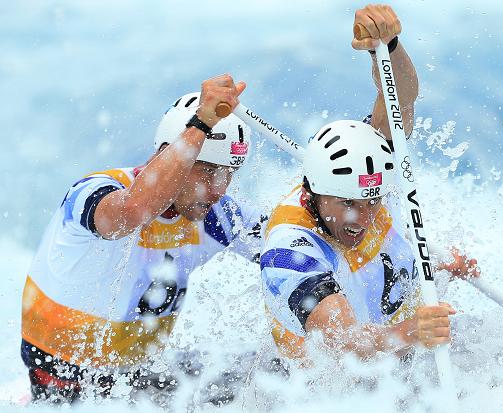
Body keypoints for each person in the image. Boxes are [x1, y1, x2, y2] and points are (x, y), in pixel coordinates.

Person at [20, 75, 266, 403]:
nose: (219, 189)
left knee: (275, 373)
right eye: (208, 171)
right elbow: (133, 213)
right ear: (168, 155)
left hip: (139, 378)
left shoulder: (216, 214)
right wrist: (203, 122)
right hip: (66, 380)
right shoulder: (94, 191)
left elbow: (301, 247)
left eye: (228, 174)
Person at [260, 5, 478, 361]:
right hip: (329, 388)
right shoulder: (290, 251)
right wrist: (409, 333)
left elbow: (399, 100)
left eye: (372, 201)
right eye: (347, 204)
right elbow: (342, 341)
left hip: (405, 351)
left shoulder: (368, 171)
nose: (361, 217)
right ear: (310, 193)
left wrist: (388, 46)